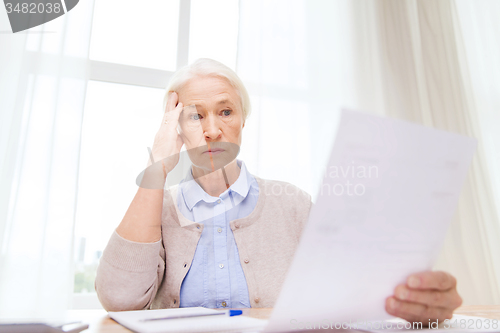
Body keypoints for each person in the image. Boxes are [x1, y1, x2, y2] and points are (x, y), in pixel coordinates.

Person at [95, 58, 462, 323]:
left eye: (225, 112)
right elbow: (118, 300)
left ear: (242, 120)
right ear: (174, 128)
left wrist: (417, 303)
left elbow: (360, 291)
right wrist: (157, 168)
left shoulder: (293, 204)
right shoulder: (156, 209)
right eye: (195, 115)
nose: (211, 130)